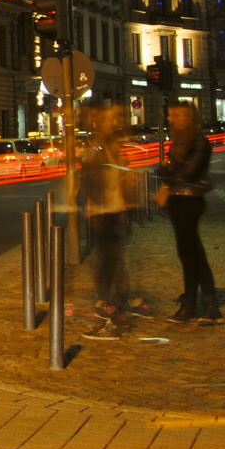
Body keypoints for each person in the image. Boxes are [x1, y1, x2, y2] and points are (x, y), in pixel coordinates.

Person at [158, 101, 219, 324]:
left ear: (188, 119)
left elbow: (186, 173)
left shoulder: (199, 142)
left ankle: (192, 305)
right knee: (193, 254)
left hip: (189, 202)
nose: (170, 119)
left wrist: (171, 169)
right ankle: (209, 306)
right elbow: (165, 169)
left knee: (189, 255)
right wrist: (170, 169)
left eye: (175, 116)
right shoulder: (179, 142)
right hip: (178, 202)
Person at [81, 104, 135, 336]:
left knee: (112, 260)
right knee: (107, 261)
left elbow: (118, 174)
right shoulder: (96, 146)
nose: (114, 123)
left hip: (113, 207)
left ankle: (110, 307)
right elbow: (89, 179)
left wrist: (125, 201)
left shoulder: (112, 144)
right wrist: (92, 207)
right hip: (102, 210)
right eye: (109, 119)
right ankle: (108, 306)